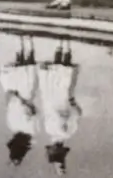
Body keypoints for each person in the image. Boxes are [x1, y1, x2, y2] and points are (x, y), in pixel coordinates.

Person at [39, 39, 82, 175]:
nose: (50, 149)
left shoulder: (50, 131)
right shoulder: (66, 132)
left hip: (50, 97)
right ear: (57, 150)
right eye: (52, 151)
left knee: (54, 74)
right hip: (61, 100)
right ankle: (66, 43)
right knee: (64, 77)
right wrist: (71, 102)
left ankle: (59, 43)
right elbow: (76, 114)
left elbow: (47, 111)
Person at [0, 35, 38, 166]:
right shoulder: (30, 130)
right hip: (25, 94)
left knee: (19, 66)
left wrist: (12, 96)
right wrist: (21, 100)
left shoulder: (13, 126)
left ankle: (19, 39)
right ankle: (28, 39)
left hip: (17, 94)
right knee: (28, 67)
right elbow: (33, 111)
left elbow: (9, 107)